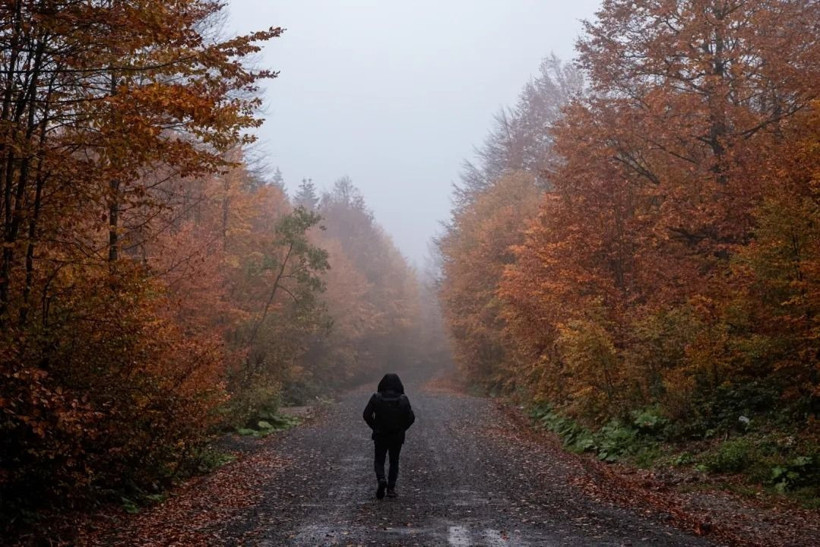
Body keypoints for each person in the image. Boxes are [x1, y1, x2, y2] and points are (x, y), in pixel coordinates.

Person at [362, 373, 415, 499]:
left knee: (379, 460)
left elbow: (366, 415)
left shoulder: (376, 397)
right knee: (394, 461)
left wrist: (375, 427)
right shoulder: (403, 399)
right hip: (396, 435)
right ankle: (391, 489)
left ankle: (381, 479)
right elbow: (411, 418)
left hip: (380, 434)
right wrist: (402, 429)